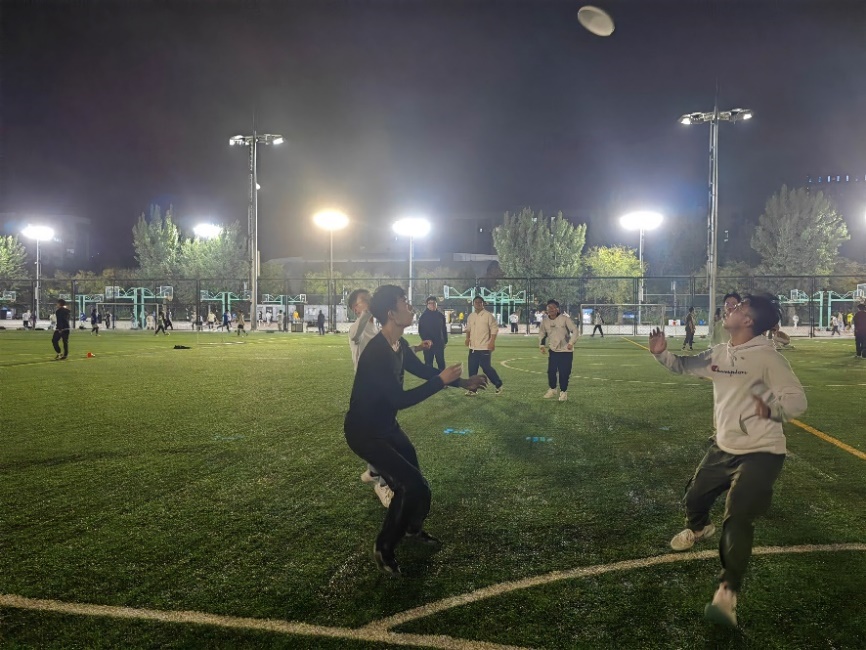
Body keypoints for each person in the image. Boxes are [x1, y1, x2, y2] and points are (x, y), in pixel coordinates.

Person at [648, 294, 806, 628]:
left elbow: (797, 401)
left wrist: (771, 410)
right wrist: (661, 354)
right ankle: (700, 528)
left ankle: (726, 594)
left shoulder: (769, 358)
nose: (730, 309)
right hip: (724, 447)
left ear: (748, 321)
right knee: (694, 498)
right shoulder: (720, 353)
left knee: (737, 518)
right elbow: (684, 365)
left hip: (762, 452)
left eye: (739, 307)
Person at [344, 285, 488, 575]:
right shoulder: (377, 352)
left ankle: (412, 529)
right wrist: (441, 382)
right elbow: (400, 399)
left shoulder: (398, 344)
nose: (410, 307)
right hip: (364, 431)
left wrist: (462, 382)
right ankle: (384, 546)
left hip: (386, 425)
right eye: (405, 302)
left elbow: (423, 371)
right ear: (391, 313)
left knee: (416, 481)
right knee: (410, 484)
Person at [538, 299, 578, 401]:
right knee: (551, 371)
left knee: (564, 373)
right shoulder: (545, 321)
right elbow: (542, 333)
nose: (550, 310)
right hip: (553, 350)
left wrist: (571, 343)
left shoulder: (565, 319)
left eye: (552, 308)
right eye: (548, 308)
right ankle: (552, 389)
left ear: (557, 309)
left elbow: (575, 330)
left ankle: (563, 392)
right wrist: (541, 345)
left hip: (566, 351)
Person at [465, 295, 503, 395]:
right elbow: (468, 329)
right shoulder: (471, 316)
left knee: (486, 368)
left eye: (480, 302)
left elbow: (494, 329)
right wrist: (467, 338)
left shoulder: (488, 316)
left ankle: (498, 384)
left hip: (484, 347)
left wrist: (492, 342)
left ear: (483, 304)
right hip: (473, 348)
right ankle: (472, 390)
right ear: (473, 304)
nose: (478, 304)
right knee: (472, 369)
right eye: (476, 302)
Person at [418, 296, 448, 371]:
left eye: (434, 303)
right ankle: (430, 378)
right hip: (428, 344)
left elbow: (444, 329)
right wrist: (425, 340)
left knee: (441, 364)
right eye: (430, 303)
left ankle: (442, 378)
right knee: (428, 364)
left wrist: (445, 341)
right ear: (427, 305)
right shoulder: (423, 317)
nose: (432, 305)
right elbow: (421, 330)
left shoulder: (441, 316)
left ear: (436, 304)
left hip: (439, 343)